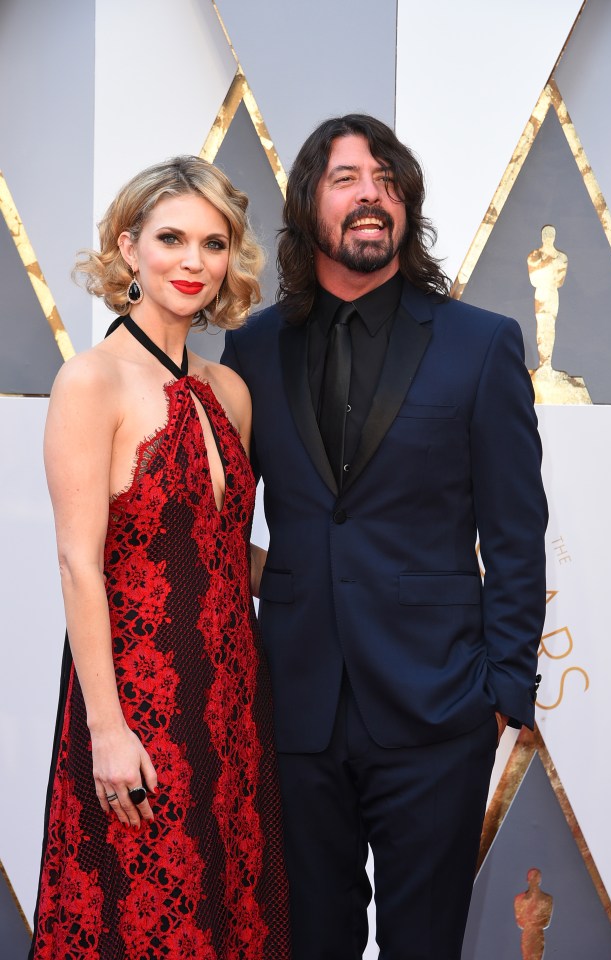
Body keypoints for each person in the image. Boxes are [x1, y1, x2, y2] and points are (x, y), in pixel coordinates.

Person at [222, 115, 548, 959]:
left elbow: (516, 528)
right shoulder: (252, 349)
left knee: (425, 944)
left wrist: (506, 685)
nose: (372, 194)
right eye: (347, 179)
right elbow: (218, 518)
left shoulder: (481, 345)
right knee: (308, 939)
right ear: (308, 206)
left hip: (440, 709)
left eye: (387, 180)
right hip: (294, 706)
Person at [29, 157, 290, 960]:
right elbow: (80, 563)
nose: (193, 261)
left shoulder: (227, 390)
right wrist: (106, 730)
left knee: (232, 922)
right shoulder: (90, 381)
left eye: (213, 244)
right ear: (127, 245)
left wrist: (355, 582)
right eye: (171, 237)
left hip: (235, 706)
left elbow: (218, 551)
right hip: (139, 708)